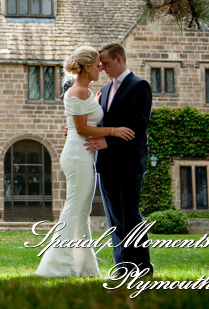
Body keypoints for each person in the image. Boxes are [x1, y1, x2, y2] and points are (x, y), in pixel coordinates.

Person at [36, 46, 134, 278]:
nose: (101, 68)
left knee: (81, 212)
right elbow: (80, 128)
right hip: (78, 157)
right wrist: (114, 131)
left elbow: (79, 122)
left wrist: (94, 106)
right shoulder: (78, 92)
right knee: (74, 209)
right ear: (87, 67)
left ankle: (84, 266)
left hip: (82, 155)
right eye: (98, 65)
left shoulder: (87, 92)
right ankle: (55, 265)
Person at [84, 42, 153, 276]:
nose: (101, 67)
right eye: (99, 64)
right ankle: (122, 267)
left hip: (129, 162)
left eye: (104, 63)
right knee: (114, 217)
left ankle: (142, 267)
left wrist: (108, 142)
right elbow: (102, 124)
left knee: (130, 214)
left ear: (119, 60)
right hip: (105, 164)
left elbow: (138, 124)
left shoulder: (139, 86)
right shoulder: (103, 90)